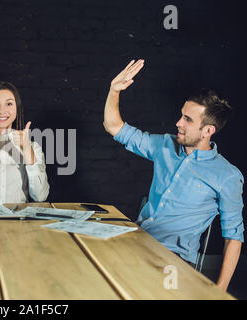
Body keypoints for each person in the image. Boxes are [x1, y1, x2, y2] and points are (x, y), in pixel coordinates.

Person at [103, 59, 244, 291]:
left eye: (187, 120)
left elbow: (233, 237)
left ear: (208, 131)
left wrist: (218, 292)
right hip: (137, 241)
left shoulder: (227, 176)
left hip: (174, 260)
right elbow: (113, 126)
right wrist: (114, 90)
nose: (178, 122)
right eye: (181, 115)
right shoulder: (164, 145)